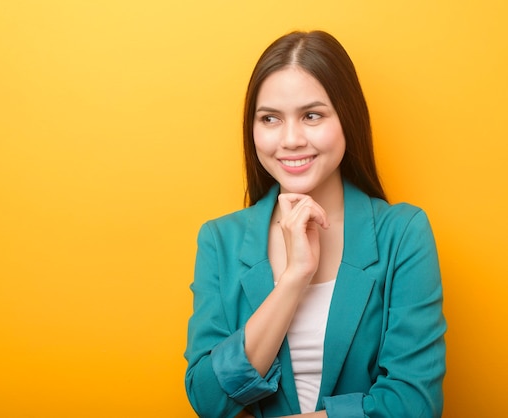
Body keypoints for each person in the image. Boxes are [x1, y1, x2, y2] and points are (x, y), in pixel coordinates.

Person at [184, 30, 446, 418]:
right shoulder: (220, 240)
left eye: (312, 115)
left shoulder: (403, 233)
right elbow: (207, 398)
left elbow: (413, 404)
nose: (290, 139)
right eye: (270, 118)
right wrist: (294, 278)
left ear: (347, 119)